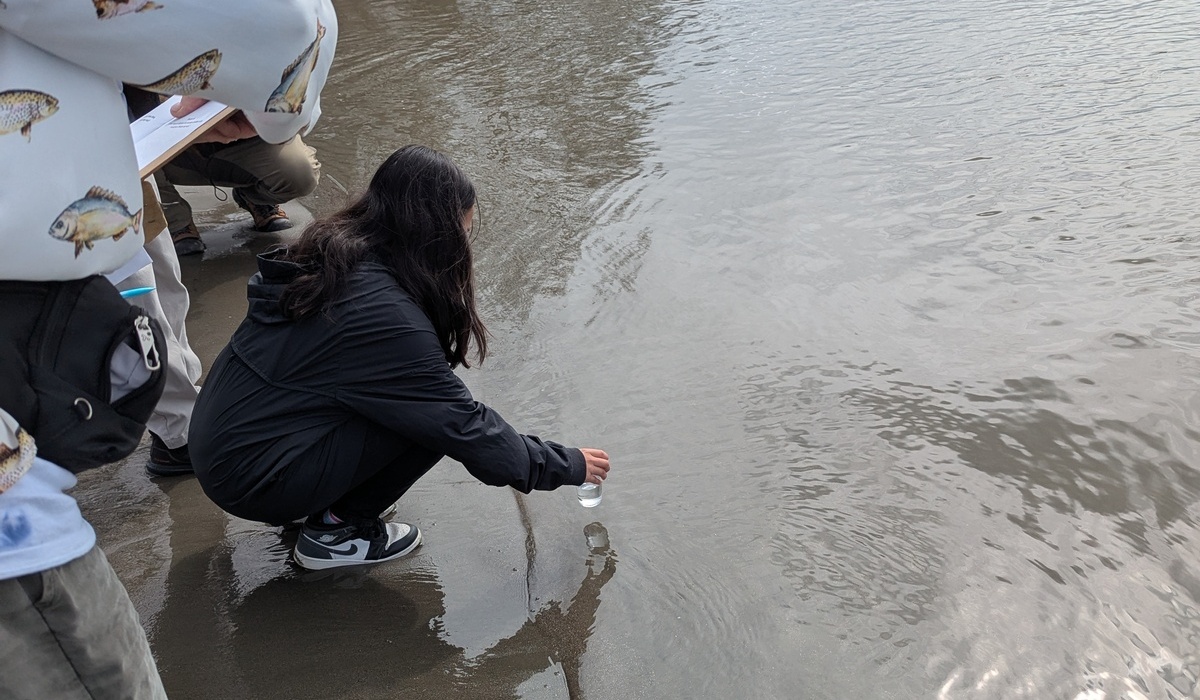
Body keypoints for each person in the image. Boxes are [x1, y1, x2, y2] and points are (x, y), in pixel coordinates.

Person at [0, 2, 338, 697]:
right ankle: (185, 434)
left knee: (151, 284)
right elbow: (287, 30)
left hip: (62, 277)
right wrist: (270, 107)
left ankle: (181, 429)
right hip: (15, 519)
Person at [189, 145, 611, 571]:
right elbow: (463, 426)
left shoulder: (333, 251)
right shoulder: (381, 316)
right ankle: (336, 532)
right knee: (428, 421)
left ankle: (322, 503)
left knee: (412, 402)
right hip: (251, 477)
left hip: (225, 442)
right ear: (435, 231)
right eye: (462, 231)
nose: (465, 244)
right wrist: (564, 464)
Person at [157, 133, 321, 256]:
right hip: (165, 145)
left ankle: (255, 198)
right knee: (132, 154)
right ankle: (176, 222)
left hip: (244, 137)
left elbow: (302, 115)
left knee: (300, 171)